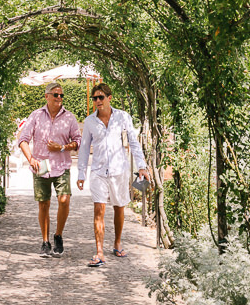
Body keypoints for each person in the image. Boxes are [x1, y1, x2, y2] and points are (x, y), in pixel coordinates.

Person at [77, 82, 152, 267]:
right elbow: (85, 148)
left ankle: (117, 243)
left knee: (119, 207)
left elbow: (133, 142)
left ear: (109, 98)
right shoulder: (89, 122)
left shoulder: (123, 117)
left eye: (101, 97)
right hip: (98, 171)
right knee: (98, 209)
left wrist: (141, 166)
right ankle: (99, 252)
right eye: (94, 98)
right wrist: (81, 173)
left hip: (119, 169)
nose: (97, 101)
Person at [17, 81, 81, 258]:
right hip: (41, 165)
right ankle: (45, 241)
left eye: (61, 95)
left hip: (61, 165)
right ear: (46, 96)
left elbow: (78, 141)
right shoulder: (36, 116)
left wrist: (62, 147)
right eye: (56, 95)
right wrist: (30, 159)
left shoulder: (69, 117)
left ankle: (58, 235)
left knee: (64, 200)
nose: (59, 98)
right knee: (44, 204)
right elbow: (23, 139)